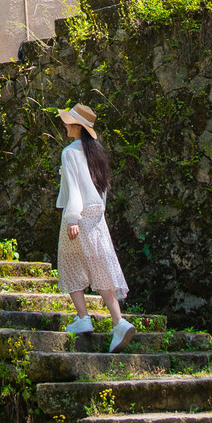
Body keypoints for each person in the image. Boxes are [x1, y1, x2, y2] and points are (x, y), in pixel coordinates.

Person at [55, 104, 136, 353]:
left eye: (69, 122)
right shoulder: (96, 153)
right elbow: (101, 190)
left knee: (69, 263)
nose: (65, 126)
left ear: (77, 126)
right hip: (96, 215)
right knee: (99, 266)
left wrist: (72, 218)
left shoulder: (70, 152)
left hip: (78, 216)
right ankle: (117, 321)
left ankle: (84, 318)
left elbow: (74, 189)